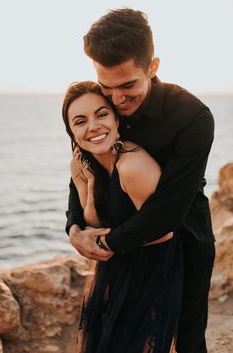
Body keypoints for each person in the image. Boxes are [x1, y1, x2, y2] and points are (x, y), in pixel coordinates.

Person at [66, 8, 215, 353]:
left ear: (153, 66)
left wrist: (104, 244)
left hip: (184, 237)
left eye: (128, 85)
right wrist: (73, 227)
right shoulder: (101, 105)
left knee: (187, 337)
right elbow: (82, 166)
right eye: (107, 87)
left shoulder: (193, 117)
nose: (117, 99)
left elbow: (169, 210)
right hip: (122, 247)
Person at [62, 80, 183, 353]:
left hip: (153, 268)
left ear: (116, 119)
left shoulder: (132, 164)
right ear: (71, 131)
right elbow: (94, 225)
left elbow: (162, 231)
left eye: (101, 114)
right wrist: (90, 187)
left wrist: (104, 245)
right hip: (115, 266)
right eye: (80, 121)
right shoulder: (81, 163)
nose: (93, 126)